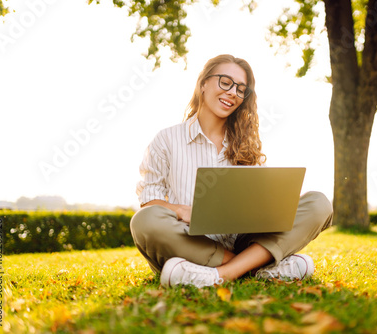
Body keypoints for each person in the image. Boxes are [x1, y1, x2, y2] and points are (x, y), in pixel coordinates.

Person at [130, 54, 333, 288]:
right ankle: (257, 268)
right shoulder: (166, 140)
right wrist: (180, 210)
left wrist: (276, 207)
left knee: (319, 203)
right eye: (225, 82)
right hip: (187, 243)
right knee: (144, 221)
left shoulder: (247, 144)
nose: (233, 93)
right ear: (203, 83)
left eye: (240, 89)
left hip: (240, 241)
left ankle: (220, 275)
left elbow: (263, 205)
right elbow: (150, 202)